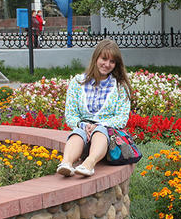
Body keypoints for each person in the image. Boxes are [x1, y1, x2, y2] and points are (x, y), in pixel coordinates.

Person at [56, 39, 133, 178]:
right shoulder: (78, 83)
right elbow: (71, 114)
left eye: (112, 61)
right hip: (84, 134)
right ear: (96, 57)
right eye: (104, 59)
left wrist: (98, 125)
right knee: (77, 133)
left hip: (108, 140)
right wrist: (84, 125)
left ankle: (89, 164)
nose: (107, 64)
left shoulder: (121, 87)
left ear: (116, 64)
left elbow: (122, 118)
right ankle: (66, 163)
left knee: (100, 131)